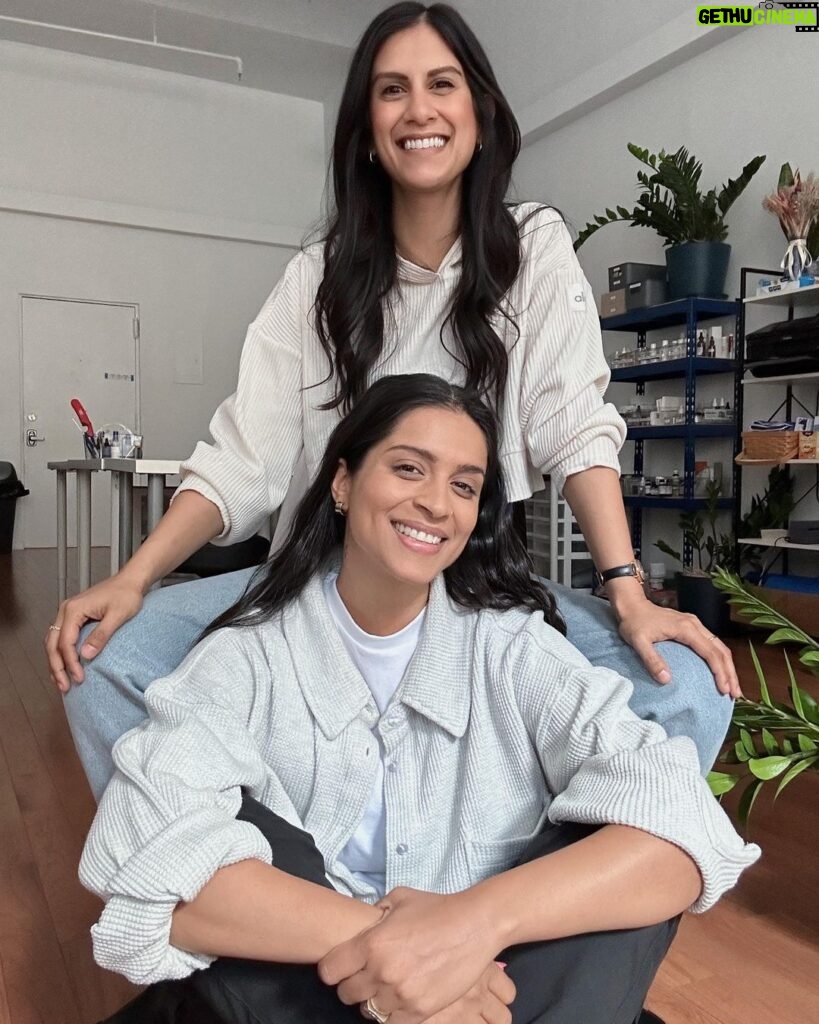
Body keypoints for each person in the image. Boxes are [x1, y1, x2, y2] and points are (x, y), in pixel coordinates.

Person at [47, 2, 738, 801]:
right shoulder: (318, 276)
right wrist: (134, 579)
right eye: (391, 91)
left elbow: (572, 427)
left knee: (686, 678)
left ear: (478, 112)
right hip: (316, 583)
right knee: (98, 655)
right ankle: (246, 866)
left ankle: (523, 879)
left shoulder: (533, 250)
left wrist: (624, 588)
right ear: (366, 128)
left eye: (441, 84)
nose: (419, 110)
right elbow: (244, 455)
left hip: (478, 589)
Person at [80, 375, 758, 1024]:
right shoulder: (244, 658)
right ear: (343, 482)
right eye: (407, 469)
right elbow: (146, 853)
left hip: (494, 972)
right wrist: (406, 950)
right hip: (317, 977)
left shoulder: (514, 650)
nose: (437, 503)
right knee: (231, 855)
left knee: (622, 852)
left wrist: (472, 925)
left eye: (464, 486)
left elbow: (678, 822)